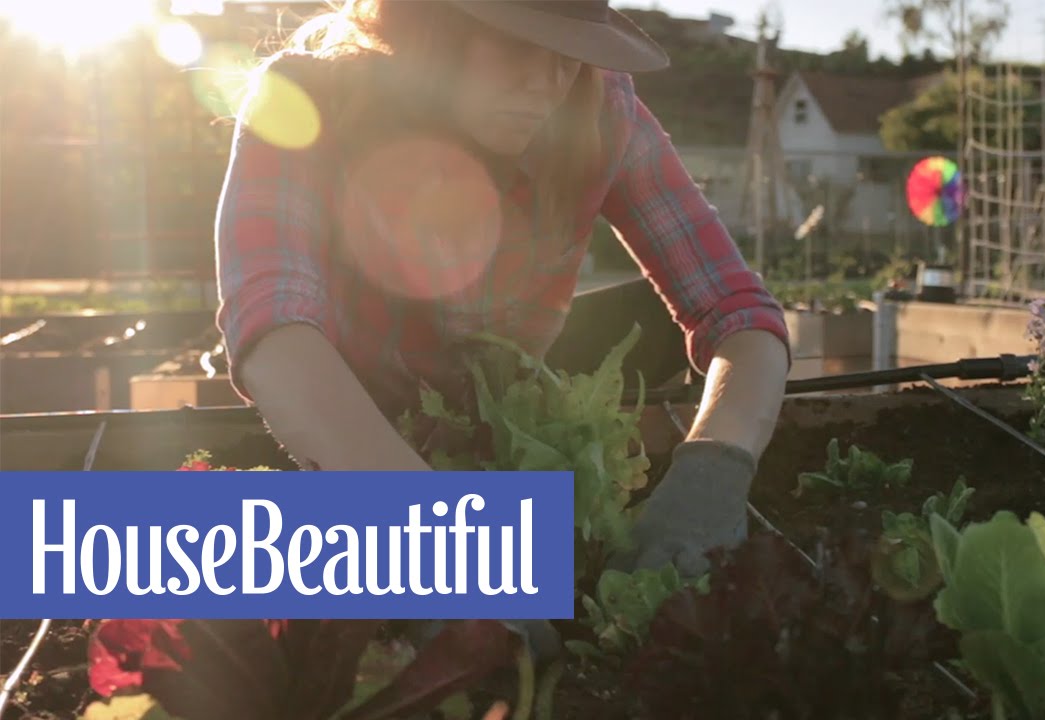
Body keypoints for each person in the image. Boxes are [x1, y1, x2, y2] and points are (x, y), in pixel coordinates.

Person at [214, 0, 791, 651]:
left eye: (568, 51)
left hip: (498, 438)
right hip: (337, 441)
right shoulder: (304, 101)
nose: (547, 82)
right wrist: (435, 546)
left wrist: (714, 466)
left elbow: (739, 311)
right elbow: (276, 329)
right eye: (518, 43)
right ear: (426, 25)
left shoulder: (599, 110)